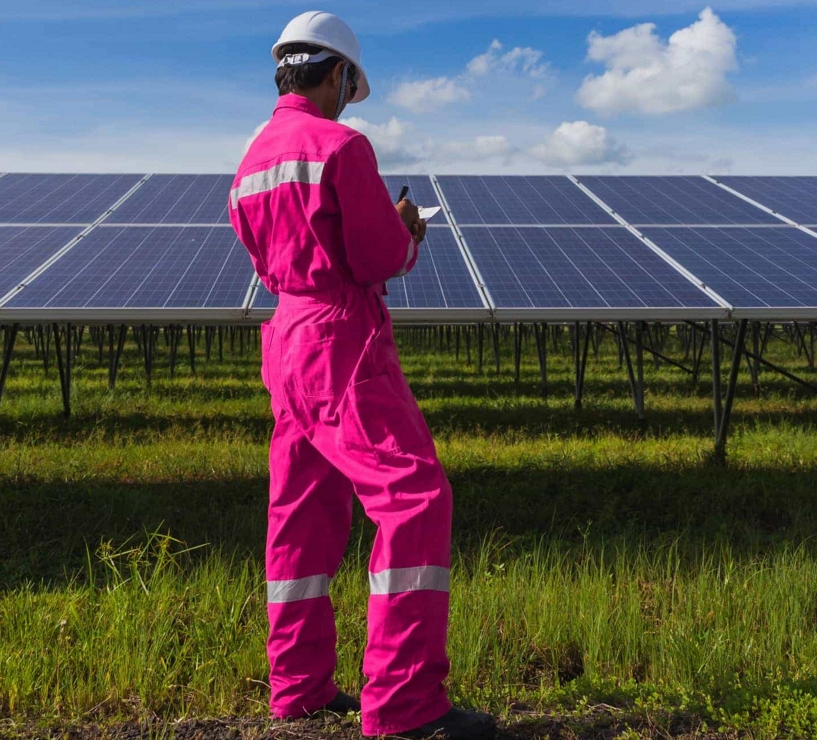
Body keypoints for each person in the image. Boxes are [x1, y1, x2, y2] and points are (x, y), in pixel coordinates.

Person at [228, 11, 495, 740]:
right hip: (340, 340)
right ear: (339, 75)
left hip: (285, 340)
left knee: (301, 516)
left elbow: (261, 252)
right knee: (415, 498)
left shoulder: (250, 162)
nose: (350, 97)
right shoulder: (343, 146)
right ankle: (406, 707)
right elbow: (376, 259)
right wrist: (407, 230)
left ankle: (300, 690)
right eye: (351, 83)